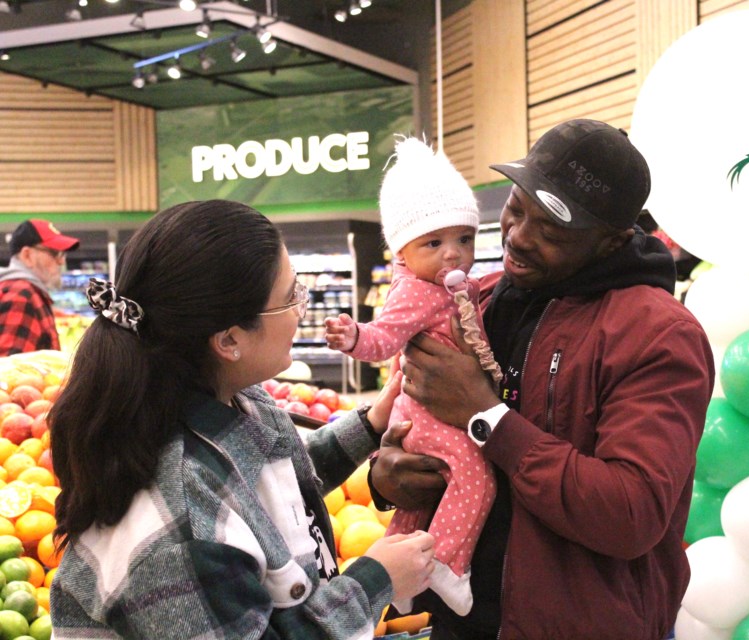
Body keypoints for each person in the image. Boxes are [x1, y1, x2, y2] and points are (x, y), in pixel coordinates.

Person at [370, 119, 715, 639]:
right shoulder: (475, 301)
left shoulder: (658, 334)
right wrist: (387, 476)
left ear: (612, 241)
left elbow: (630, 512)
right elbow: (406, 422)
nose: (518, 237)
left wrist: (486, 416)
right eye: (515, 208)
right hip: (456, 619)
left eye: (550, 231)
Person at [48, 200, 435, 639]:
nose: (301, 310)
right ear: (229, 340)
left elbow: (262, 488)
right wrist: (374, 582)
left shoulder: (219, 400)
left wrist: (371, 423)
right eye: (291, 297)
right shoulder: (181, 533)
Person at [325, 137, 501, 617]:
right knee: (474, 474)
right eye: (434, 242)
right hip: (430, 415)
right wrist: (354, 337)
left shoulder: (447, 286)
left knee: (417, 505)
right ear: (401, 249)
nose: (453, 254)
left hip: (421, 414)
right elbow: (382, 340)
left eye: (464, 239)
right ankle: (447, 563)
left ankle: (400, 573)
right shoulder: (417, 293)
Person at [0, 219, 80, 355]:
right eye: (55, 253)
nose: (61, 261)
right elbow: (9, 371)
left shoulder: (26, 291)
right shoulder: (21, 294)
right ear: (27, 255)